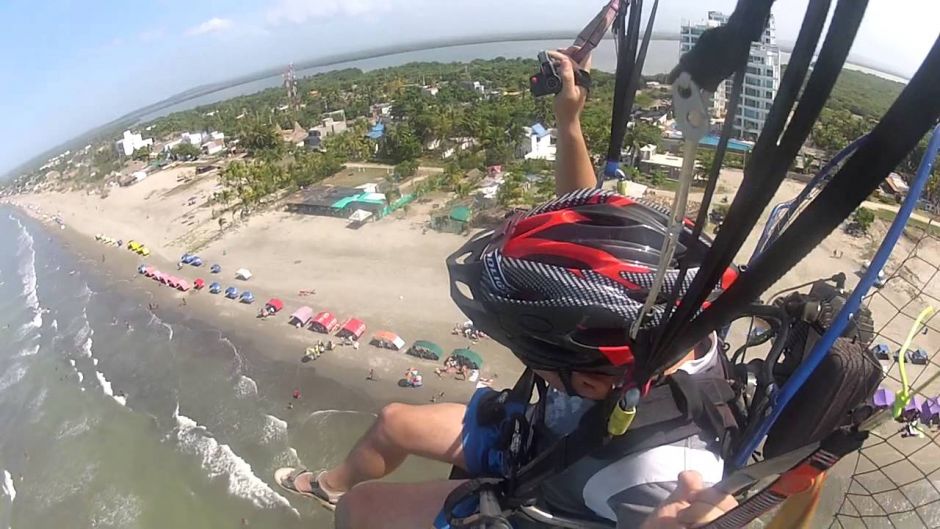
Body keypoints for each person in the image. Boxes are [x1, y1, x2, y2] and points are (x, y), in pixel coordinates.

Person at [274, 49, 736, 529]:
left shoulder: (662, 478)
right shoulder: (658, 320)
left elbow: (679, 513)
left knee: (362, 510)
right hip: (541, 438)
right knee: (394, 421)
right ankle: (330, 486)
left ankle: (345, 502)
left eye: (535, 356)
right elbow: (579, 226)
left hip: (552, 492)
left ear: (588, 381)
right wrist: (568, 121)